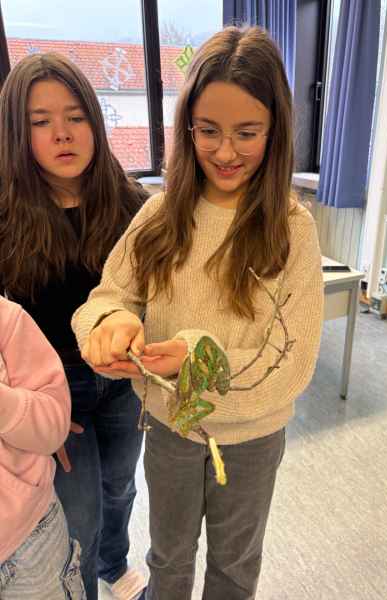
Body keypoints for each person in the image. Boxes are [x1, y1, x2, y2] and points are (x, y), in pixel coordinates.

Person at [72, 26, 324, 600]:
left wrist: (197, 358)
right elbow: (106, 298)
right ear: (187, 127)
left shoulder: (292, 229)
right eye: (208, 131)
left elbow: (291, 364)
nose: (226, 152)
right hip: (169, 431)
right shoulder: (159, 215)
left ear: (275, 131)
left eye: (247, 133)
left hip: (253, 437)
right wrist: (110, 324)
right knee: (168, 558)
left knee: (234, 566)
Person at [0, 53, 148, 600]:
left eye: (75, 116)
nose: (62, 133)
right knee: (78, 514)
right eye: (41, 122)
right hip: (55, 393)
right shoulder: (7, 216)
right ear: (19, 135)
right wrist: (34, 423)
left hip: (125, 382)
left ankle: (115, 562)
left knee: (120, 487)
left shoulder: (136, 206)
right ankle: (83, 583)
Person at [0, 295, 86, 599]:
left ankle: (114, 563)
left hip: (29, 537)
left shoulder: (7, 319)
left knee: (109, 496)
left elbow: (51, 421)